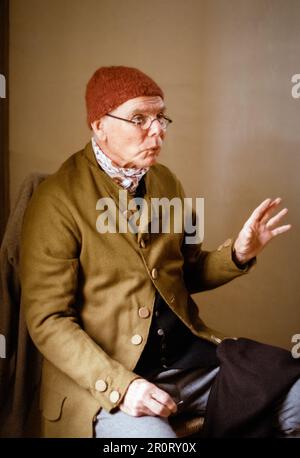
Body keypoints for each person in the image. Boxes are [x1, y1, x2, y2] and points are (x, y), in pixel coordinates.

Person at [20, 66, 300, 438]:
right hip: (110, 382)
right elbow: (48, 320)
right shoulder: (54, 200)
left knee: (295, 393)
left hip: (192, 365)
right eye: (139, 118)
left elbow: (186, 272)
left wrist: (238, 253)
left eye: (160, 117)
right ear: (98, 124)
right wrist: (122, 386)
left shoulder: (168, 182)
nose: (158, 131)